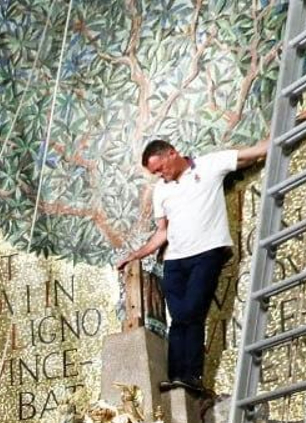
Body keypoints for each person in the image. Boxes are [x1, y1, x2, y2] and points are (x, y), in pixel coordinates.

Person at [115, 137, 269, 391]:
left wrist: (299, 119)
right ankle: (177, 377)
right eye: (154, 173)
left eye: (160, 168)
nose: (160, 175)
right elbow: (161, 232)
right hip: (175, 260)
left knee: (192, 312)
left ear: (172, 154)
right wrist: (137, 254)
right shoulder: (162, 191)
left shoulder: (209, 165)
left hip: (207, 253)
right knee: (178, 318)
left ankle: (193, 375)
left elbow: (253, 152)